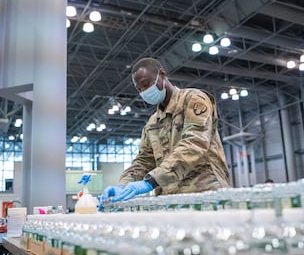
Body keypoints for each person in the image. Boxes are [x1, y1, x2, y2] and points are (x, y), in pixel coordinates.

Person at [98, 57, 231, 210]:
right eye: (139, 89)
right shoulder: (152, 123)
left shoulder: (193, 100)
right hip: (171, 203)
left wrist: (151, 181)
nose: (144, 91)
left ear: (162, 74)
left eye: (146, 84)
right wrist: (122, 186)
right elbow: (144, 161)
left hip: (206, 197)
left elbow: (193, 145)